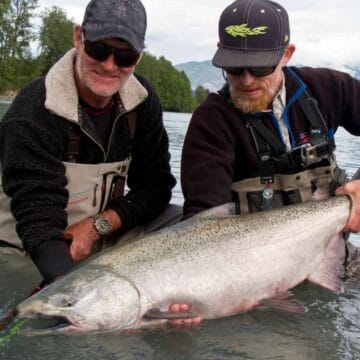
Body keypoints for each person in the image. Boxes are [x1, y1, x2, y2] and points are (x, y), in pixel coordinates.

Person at [0, 0, 178, 285]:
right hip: (27, 245)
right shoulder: (33, 112)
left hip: (100, 234)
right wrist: (72, 291)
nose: (109, 66)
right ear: (78, 38)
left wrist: (98, 226)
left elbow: (156, 188)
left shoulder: (143, 101)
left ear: (139, 56)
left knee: (182, 223)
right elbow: (38, 221)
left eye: (125, 56)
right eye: (98, 49)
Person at [181, 0, 360, 237]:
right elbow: (202, 222)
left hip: (331, 249)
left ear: (287, 55)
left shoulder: (331, 89)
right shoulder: (211, 121)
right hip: (252, 260)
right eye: (234, 67)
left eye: (260, 67)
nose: (246, 80)